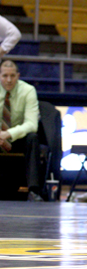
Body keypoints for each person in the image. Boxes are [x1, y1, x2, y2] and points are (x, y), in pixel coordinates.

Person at [0, 60, 41, 201]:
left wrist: (8, 133)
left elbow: (31, 124)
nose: (9, 80)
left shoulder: (28, 90)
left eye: (12, 75)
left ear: (18, 76)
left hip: (17, 137)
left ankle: (33, 190)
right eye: (5, 75)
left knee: (33, 138)